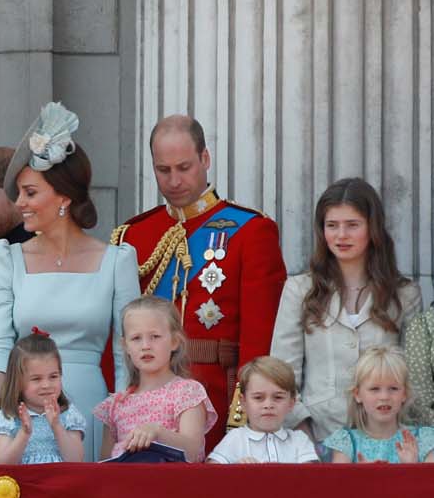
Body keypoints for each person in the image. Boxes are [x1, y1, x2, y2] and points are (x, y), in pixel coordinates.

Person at [111, 114, 287, 449]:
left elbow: (260, 337)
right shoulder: (134, 236)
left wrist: (245, 408)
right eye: (164, 170)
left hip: (217, 391)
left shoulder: (249, 230)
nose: (174, 180)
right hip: (145, 397)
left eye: (184, 167)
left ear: (205, 159)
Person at [0, 102, 138, 463]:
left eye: (30, 192)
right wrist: (4, 418)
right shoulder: (8, 257)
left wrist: (114, 431)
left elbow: (124, 356)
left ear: (64, 197)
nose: (19, 203)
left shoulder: (118, 260)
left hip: (90, 410)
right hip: (20, 414)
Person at [269, 178, 422, 444]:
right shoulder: (299, 290)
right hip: (315, 437)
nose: (341, 235)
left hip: (385, 439)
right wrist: (302, 431)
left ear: (372, 229)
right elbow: (282, 371)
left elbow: (413, 375)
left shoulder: (404, 295)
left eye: (352, 225)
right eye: (332, 225)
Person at [95, 296, 216, 462]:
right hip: (125, 486)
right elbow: (104, 465)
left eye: (155, 336)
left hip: (171, 485)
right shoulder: (114, 405)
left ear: (174, 341)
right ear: (125, 346)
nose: (146, 345)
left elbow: (193, 452)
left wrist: (158, 433)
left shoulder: (188, 392)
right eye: (136, 338)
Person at [0, 331, 86, 464]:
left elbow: (76, 460)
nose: (46, 385)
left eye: (53, 376)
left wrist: (57, 426)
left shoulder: (68, 413)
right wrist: (24, 433)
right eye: (36, 379)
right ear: (18, 382)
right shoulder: (9, 416)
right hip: (24, 482)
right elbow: (3, 463)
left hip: (59, 482)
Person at [323, 347, 434, 463]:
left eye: (393, 388)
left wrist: (411, 467)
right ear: (357, 394)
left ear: (404, 394)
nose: (384, 396)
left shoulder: (424, 439)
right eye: (374, 389)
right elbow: (339, 481)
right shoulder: (346, 441)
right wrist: (362, 477)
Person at [207, 356, 318, 464]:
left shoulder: (299, 441)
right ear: (243, 402)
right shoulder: (235, 439)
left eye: (278, 397)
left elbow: (310, 477)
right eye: (258, 398)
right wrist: (236, 471)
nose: (268, 405)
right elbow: (212, 474)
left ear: (291, 403)